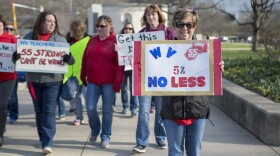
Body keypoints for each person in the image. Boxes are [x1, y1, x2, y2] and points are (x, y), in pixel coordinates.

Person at [160, 8, 224, 156]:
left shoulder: (206, 51)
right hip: (172, 109)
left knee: (194, 152)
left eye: (189, 25)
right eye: (180, 24)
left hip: (197, 108)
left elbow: (212, 79)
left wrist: (218, 68)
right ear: (173, 26)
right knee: (175, 152)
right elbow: (151, 75)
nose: (184, 28)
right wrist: (139, 65)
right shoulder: (162, 50)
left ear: (194, 27)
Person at [12, 11, 74, 154]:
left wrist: (70, 60)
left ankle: (47, 143)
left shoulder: (60, 40)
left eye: (54, 21)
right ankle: (43, 138)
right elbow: (20, 59)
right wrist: (15, 57)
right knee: (39, 112)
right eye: (49, 21)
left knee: (49, 112)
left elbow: (71, 60)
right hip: (34, 82)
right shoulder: (29, 38)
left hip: (53, 81)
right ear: (41, 22)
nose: (52, 24)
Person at [133, 4, 175, 153]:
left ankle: (161, 138)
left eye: (153, 14)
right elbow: (132, 54)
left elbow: (178, 52)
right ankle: (141, 142)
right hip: (145, 78)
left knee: (160, 111)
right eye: (148, 15)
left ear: (159, 15)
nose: (151, 17)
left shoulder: (168, 32)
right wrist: (122, 52)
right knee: (143, 110)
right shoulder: (141, 33)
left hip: (163, 78)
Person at [81, 15, 124, 148]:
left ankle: (105, 136)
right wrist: (83, 75)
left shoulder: (116, 41)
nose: (99, 28)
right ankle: (95, 130)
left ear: (110, 27)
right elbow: (85, 59)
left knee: (107, 111)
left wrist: (118, 82)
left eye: (103, 26)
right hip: (93, 81)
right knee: (90, 107)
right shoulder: (92, 41)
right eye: (98, 26)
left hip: (109, 83)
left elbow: (121, 64)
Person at [65, 19, 89, 126]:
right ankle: (79, 118)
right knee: (77, 97)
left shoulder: (89, 41)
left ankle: (92, 116)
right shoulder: (68, 41)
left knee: (88, 97)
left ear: (76, 30)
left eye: (71, 29)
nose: (69, 31)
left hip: (86, 74)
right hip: (73, 74)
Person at [0, 15, 17, 147]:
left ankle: (0, 132)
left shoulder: (10, 39)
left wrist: (17, 57)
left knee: (2, 105)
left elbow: (21, 55)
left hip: (7, 77)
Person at [119, 22, 139, 117]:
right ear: (123, 29)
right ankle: (125, 106)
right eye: (126, 28)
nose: (128, 30)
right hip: (122, 67)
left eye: (130, 29)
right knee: (124, 89)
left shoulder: (136, 39)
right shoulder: (119, 39)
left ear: (133, 30)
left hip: (133, 67)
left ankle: (134, 108)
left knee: (133, 88)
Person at [5, 22, 20, 124]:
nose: (9, 31)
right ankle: (4, 113)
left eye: (11, 29)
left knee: (13, 96)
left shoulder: (18, 43)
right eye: (7, 29)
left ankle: (13, 115)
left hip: (13, 73)